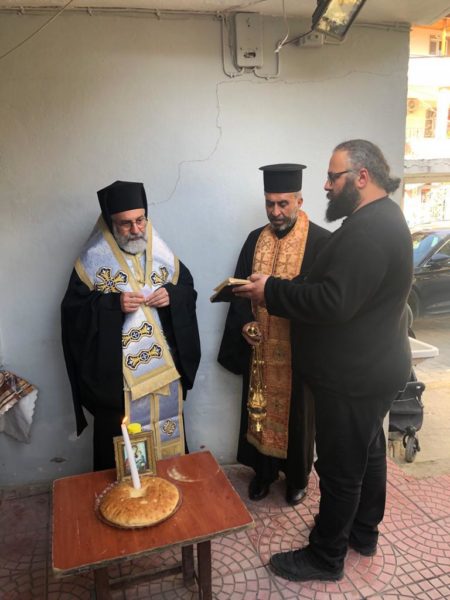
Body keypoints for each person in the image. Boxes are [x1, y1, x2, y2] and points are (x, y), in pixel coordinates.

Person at [235, 140, 413, 581]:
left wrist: (271, 291)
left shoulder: (369, 231)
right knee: (368, 452)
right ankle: (363, 532)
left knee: (340, 469)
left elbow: (334, 301)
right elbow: (336, 287)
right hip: (373, 366)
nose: (327, 186)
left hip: (354, 375)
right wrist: (280, 287)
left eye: (334, 177)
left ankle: (326, 555)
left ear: (362, 177)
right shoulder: (379, 219)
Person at [61, 180, 201, 471]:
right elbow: (74, 315)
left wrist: (172, 296)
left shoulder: (160, 252)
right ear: (110, 223)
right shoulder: (92, 261)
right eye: (125, 224)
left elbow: (188, 290)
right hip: (120, 385)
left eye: (140, 220)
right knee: (121, 466)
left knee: (168, 446)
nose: (136, 230)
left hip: (164, 374)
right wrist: (113, 305)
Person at [218, 164, 330, 505]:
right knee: (259, 409)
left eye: (283, 203)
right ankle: (264, 473)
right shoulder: (255, 240)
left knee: (299, 416)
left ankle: (297, 478)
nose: (276, 211)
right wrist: (244, 324)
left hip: (298, 350)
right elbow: (239, 289)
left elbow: (322, 299)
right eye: (270, 203)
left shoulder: (321, 242)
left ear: (299, 201)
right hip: (261, 349)